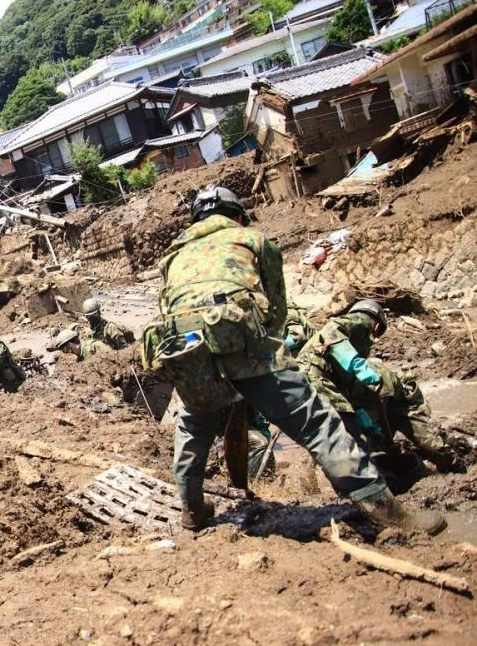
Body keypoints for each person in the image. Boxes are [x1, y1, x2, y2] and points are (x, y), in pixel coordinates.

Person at [144, 185, 444, 534]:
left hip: (189, 354)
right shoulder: (253, 241)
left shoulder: (171, 257)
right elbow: (277, 308)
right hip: (246, 347)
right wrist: (260, 360)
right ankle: (387, 511)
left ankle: (193, 510)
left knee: (194, 425)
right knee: (317, 424)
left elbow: (168, 311)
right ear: (238, 216)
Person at [297, 299, 464, 473]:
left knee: (333, 432)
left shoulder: (341, 366)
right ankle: (363, 483)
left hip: (304, 380)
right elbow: (332, 330)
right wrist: (356, 364)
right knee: (347, 436)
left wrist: (367, 424)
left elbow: (351, 396)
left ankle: (350, 478)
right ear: (376, 326)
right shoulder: (362, 321)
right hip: (315, 376)